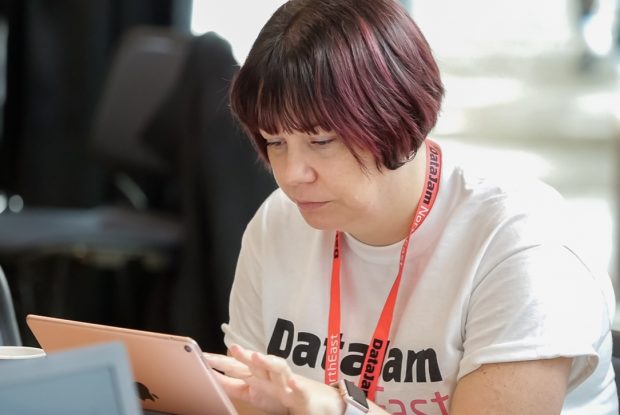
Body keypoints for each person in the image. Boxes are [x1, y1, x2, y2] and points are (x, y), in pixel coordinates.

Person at [205, 0, 618, 413]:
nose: (292, 174)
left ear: (395, 118)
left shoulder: (519, 242)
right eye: (275, 143)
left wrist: (336, 408)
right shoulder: (278, 221)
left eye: (321, 141)